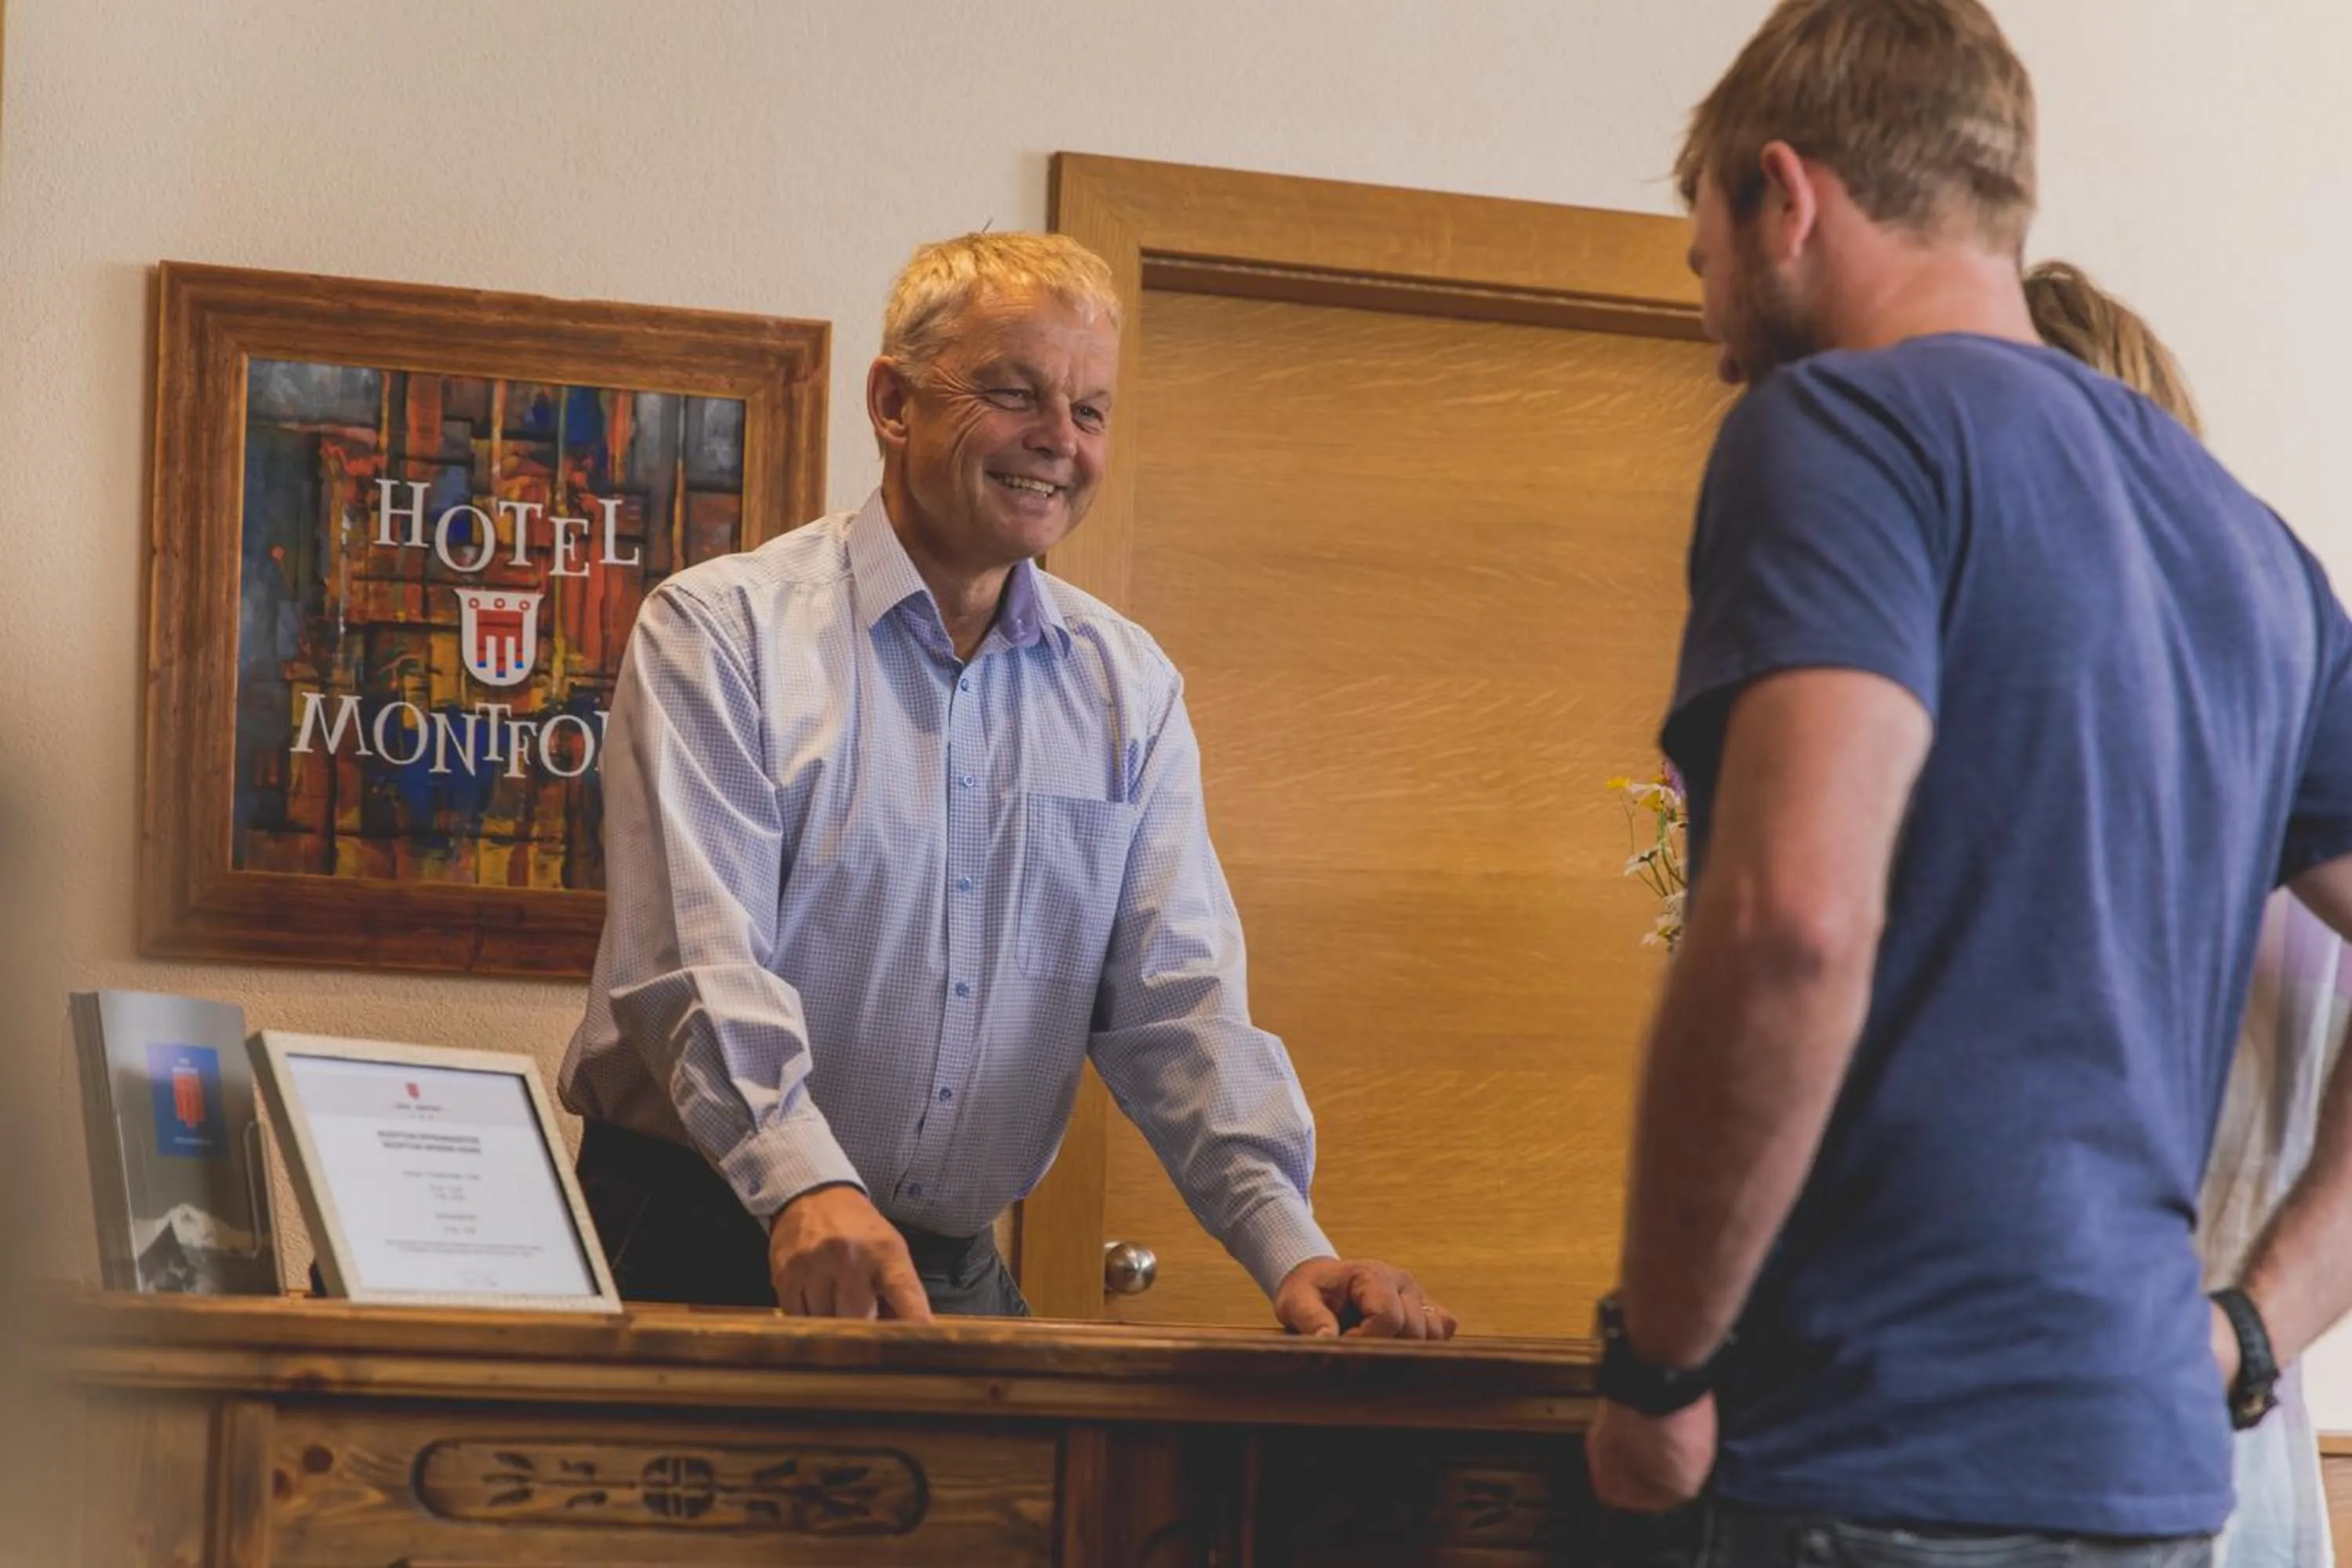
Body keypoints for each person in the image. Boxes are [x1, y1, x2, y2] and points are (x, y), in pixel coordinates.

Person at [1581, 2, 2352, 1563]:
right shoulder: (2247, 541)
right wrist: (2257, 1331)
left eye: (1703, 257)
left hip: (1877, 1453)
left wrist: (1659, 1365)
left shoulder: (1842, 429)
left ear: (1783, 197)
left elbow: (1795, 918)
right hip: (2145, 1473)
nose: (1716, 323)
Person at [560, 230, 1455, 1338]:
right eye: (1013, 393)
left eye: (1089, 411)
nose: (1058, 443)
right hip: (696, 1236)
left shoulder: (1129, 688)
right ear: (893, 403)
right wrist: (802, 1180)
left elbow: (1179, 1007)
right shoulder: (721, 633)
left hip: (948, 1276)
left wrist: (1288, 1241)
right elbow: (699, 965)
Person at [2027, 257, 2345, 1568]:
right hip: (2231, 1435)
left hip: (2113, 1440)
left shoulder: (2238, 727)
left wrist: (2249, 1329)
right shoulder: (2291, 719)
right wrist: (2254, 1332)